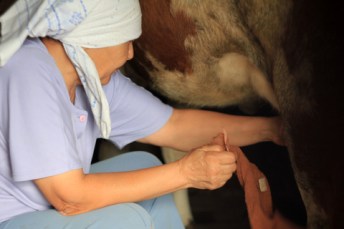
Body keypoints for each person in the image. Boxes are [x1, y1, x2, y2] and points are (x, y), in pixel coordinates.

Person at [0, 0, 284, 228]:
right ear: (94, 36)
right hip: (10, 218)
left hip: (42, 207)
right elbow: (69, 199)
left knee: (144, 164)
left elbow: (174, 125)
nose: (130, 55)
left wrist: (271, 129)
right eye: (125, 40)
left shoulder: (92, 81)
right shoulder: (29, 71)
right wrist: (186, 172)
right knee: (126, 221)